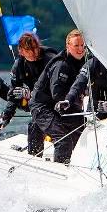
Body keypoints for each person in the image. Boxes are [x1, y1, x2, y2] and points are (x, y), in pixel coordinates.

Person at [28, 29, 87, 163]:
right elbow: (57, 94)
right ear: (68, 46)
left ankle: (80, 164)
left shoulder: (84, 62)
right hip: (42, 107)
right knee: (63, 139)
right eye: (76, 45)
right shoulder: (62, 64)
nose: (80, 49)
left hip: (60, 106)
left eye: (82, 45)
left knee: (83, 130)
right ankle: (61, 169)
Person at [0, 32, 58, 153]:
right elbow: (13, 94)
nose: (33, 53)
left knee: (36, 124)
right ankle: (34, 156)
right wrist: (6, 117)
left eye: (35, 49)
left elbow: (57, 89)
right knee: (15, 93)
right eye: (28, 50)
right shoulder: (19, 65)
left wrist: (31, 93)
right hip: (38, 104)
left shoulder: (50, 59)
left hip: (55, 101)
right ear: (21, 51)